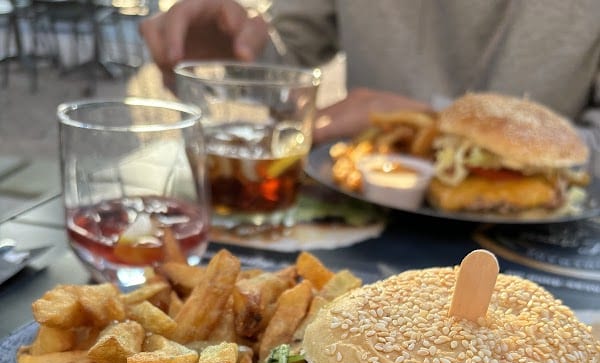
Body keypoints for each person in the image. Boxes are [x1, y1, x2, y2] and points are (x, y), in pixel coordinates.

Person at [140, 0, 600, 171]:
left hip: (549, 246)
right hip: (362, 205)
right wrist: (226, 54)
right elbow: (286, 65)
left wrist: (436, 121)